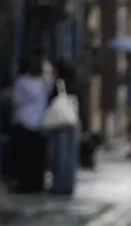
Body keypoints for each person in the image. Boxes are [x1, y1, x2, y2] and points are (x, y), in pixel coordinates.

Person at [11, 57, 48, 193]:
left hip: (24, 122)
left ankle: (24, 184)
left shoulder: (20, 82)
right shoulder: (41, 83)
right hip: (38, 122)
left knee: (24, 158)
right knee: (36, 158)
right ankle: (37, 184)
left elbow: (16, 100)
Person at [47, 57, 81, 195]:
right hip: (72, 123)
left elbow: (51, 100)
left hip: (60, 124)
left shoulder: (59, 85)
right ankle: (68, 184)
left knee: (59, 156)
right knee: (70, 155)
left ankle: (60, 185)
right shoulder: (75, 84)